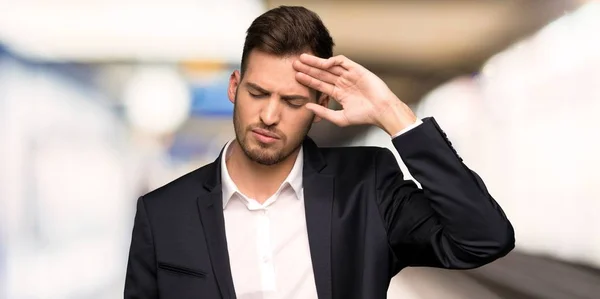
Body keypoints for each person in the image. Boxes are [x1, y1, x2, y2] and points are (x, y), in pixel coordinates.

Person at [124, 5, 514, 299]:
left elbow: (483, 239)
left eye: (292, 102)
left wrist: (394, 116)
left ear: (321, 103)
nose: (269, 115)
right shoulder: (163, 214)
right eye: (257, 93)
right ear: (234, 87)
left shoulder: (367, 187)